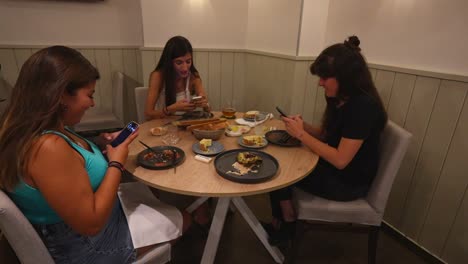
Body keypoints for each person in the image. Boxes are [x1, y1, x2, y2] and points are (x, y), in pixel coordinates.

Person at [0, 46, 190, 263]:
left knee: (151, 197)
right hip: (85, 246)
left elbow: (71, 164)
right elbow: (91, 224)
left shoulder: (41, 128)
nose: (93, 103)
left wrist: (100, 142)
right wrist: (116, 163)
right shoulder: (47, 147)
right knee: (183, 219)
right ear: (61, 94)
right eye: (89, 95)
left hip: (80, 229)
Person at [266, 36, 388, 245]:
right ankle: (281, 221)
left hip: (348, 183)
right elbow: (326, 135)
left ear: (345, 77)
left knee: (279, 171)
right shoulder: (341, 98)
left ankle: (288, 223)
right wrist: (303, 127)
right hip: (334, 170)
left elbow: (341, 159)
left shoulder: (363, 107)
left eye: (324, 77)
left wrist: (301, 135)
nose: (320, 83)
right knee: (279, 157)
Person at [144, 35, 210, 120]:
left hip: (184, 125)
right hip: (161, 125)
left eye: (188, 61)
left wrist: (205, 104)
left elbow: (208, 109)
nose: (185, 68)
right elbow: (148, 113)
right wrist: (171, 109)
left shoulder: (193, 76)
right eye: (179, 63)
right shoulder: (158, 76)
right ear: (169, 62)